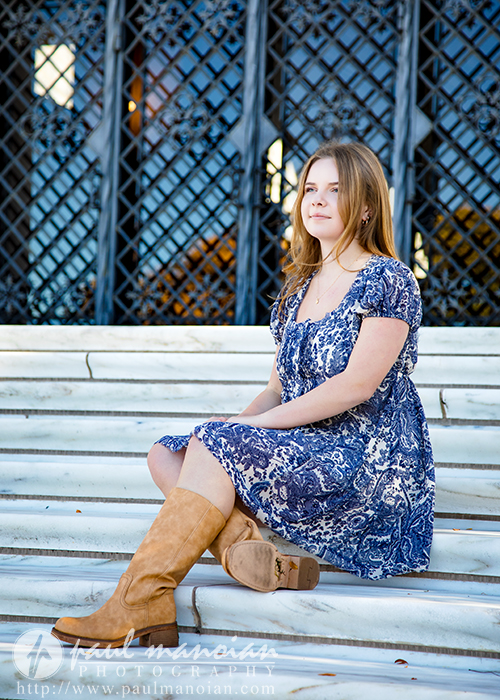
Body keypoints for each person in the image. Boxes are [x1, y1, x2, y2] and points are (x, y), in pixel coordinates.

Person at [51, 140, 435, 650]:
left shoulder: (388, 279)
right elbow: (277, 388)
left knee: (212, 446)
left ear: (366, 205)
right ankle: (247, 553)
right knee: (168, 452)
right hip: (304, 445)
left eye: (335, 190)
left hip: (367, 459)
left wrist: (245, 434)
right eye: (309, 189)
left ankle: (140, 600)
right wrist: (228, 430)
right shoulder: (299, 289)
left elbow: (356, 385)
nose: (317, 200)